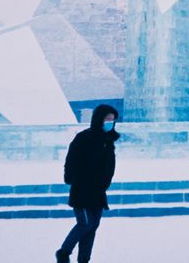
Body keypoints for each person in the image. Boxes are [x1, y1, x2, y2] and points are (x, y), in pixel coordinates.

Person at [56, 103, 120, 263]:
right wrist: (72, 178)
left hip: (98, 192)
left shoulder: (109, 140)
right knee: (85, 223)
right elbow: (71, 160)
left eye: (113, 119)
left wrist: (104, 183)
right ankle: (64, 253)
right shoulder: (84, 137)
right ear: (99, 119)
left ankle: (84, 259)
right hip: (82, 190)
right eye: (107, 119)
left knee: (93, 226)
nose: (110, 122)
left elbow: (108, 167)